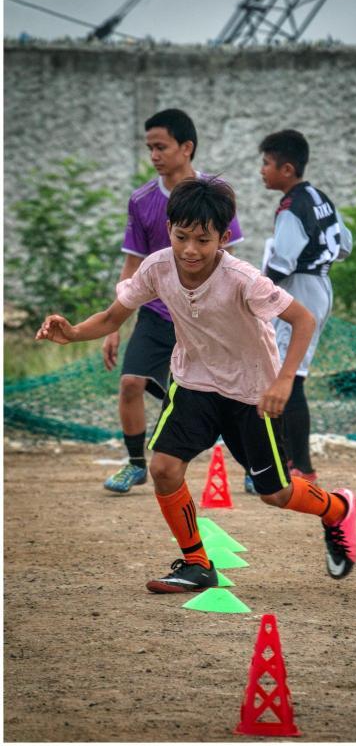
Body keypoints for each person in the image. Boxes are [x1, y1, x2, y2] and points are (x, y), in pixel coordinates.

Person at [36, 177, 356, 590]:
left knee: (274, 493)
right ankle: (197, 564)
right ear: (169, 229)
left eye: (202, 240)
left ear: (223, 238)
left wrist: (282, 383)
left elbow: (303, 320)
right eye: (181, 236)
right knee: (164, 468)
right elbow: (113, 317)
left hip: (251, 393)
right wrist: (73, 332)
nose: (190, 249)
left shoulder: (243, 279)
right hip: (194, 383)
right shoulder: (156, 267)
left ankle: (336, 508)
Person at [102, 108, 244, 494]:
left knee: (230, 394)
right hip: (156, 313)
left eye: (161, 146)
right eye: (149, 148)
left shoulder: (215, 192)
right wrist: (113, 324)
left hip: (205, 317)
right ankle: (135, 464)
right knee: (131, 382)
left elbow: (233, 260)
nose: (154, 155)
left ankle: (254, 461)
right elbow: (132, 262)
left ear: (187, 148)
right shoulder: (142, 200)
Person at [244, 129, 352, 495]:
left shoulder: (291, 207)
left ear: (286, 169)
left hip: (299, 289)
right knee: (286, 371)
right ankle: (289, 460)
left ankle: (300, 467)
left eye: (266, 164)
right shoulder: (320, 198)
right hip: (320, 284)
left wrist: (255, 293)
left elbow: (283, 260)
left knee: (291, 376)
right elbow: (344, 245)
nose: (262, 171)